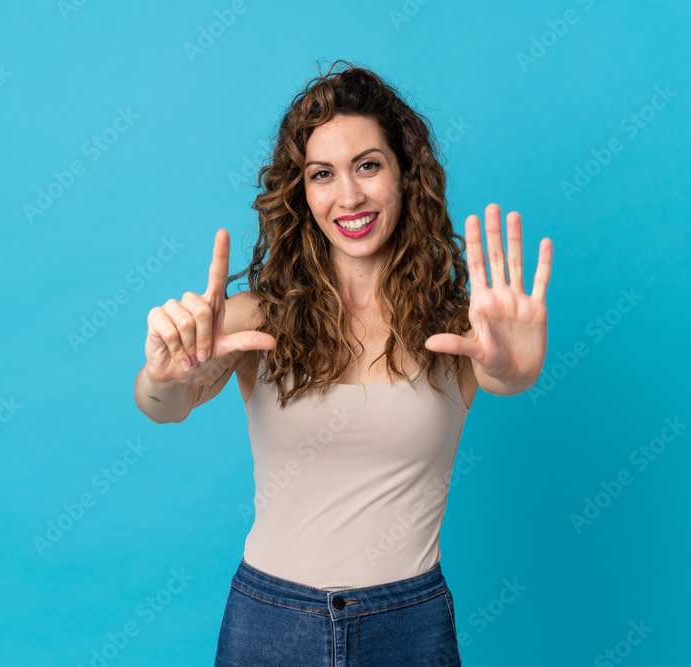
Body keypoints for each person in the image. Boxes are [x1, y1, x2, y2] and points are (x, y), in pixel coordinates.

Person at [133, 62, 552, 666]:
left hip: (409, 626)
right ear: (301, 192)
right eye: (322, 174)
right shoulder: (256, 317)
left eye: (368, 166)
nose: (348, 196)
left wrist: (517, 368)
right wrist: (162, 377)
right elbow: (164, 407)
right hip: (269, 624)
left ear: (405, 174)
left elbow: (504, 375)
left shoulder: (463, 330)